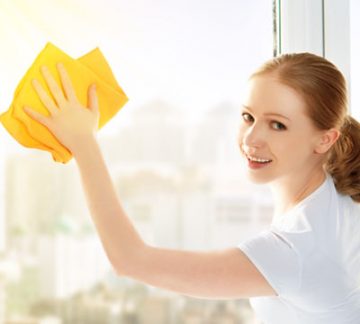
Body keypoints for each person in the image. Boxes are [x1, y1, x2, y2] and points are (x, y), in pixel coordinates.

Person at [24, 53, 360, 324]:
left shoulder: (294, 251)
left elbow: (131, 260)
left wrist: (83, 142)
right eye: (247, 117)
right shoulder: (340, 194)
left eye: (278, 125)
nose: (252, 138)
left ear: (325, 138)